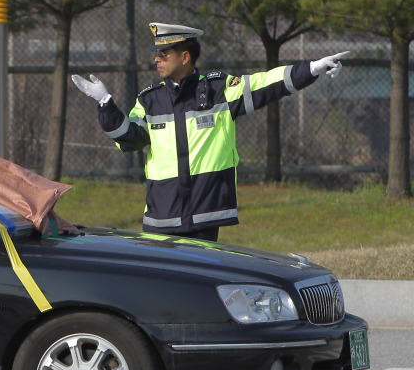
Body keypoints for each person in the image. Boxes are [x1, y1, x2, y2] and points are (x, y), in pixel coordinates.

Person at [71, 22, 349, 242]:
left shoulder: (219, 90)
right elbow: (128, 140)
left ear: (185, 56)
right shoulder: (149, 100)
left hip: (206, 214)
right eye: (156, 54)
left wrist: (312, 68)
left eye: (163, 54)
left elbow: (267, 84)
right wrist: (105, 103)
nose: (157, 59)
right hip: (161, 219)